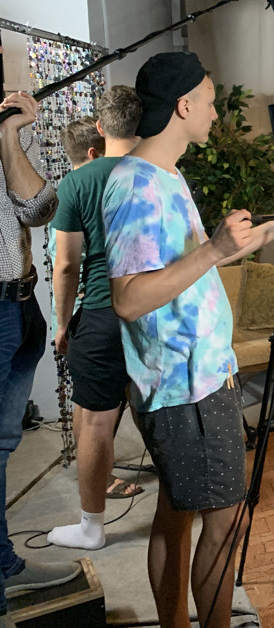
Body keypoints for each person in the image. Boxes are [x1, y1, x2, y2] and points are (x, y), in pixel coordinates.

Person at [102, 52, 274, 628]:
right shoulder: (135, 185)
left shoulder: (166, 174)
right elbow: (129, 298)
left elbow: (190, 265)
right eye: (209, 101)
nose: (214, 112)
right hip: (185, 386)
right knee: (226, 521)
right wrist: (213, 249)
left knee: (176, 511)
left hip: (197, 376)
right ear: (183, 106)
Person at [47, 89, 144, 552]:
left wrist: (62, 323)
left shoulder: (78, 182)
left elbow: (66, 265)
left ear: (101, 129)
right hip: (153, 308)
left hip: (102, 311)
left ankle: (91, 528)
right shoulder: (160, 172)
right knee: (159, 413)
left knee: (96, 423)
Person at [0, 91, 79, 615]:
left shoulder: (8, 127)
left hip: (21, 303)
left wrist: (9, 136)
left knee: (3, 442)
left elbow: (39, 210)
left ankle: (5, 566)